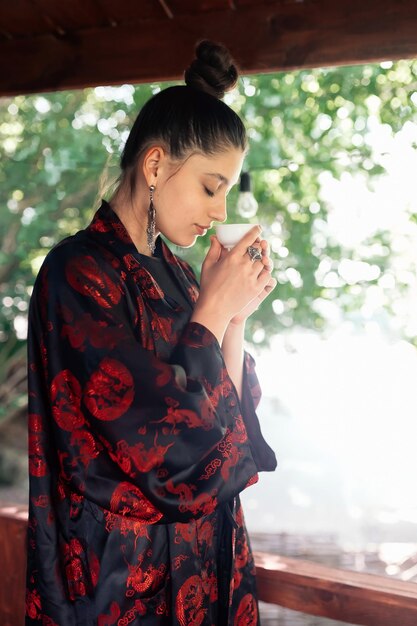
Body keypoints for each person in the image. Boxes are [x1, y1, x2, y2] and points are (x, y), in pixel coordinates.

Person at [25, 40, 277, 626]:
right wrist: (210, 313)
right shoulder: (78, 272)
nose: (219, 212)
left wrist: (233, 315)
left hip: (203, 560)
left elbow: (229, 419)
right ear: (157, 165)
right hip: (123, 576)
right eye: (211, 187)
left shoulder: (181, 278)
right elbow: (167, 440)